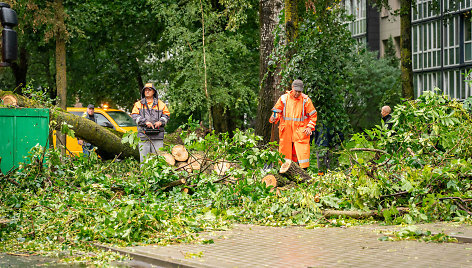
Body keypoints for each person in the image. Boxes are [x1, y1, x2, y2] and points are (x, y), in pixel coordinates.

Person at [269, 79, 317, 169]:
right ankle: (284, 175)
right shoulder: (284, 98)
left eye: (300, 91)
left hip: (300, 133)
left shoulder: (306, 100)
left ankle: (302, 176)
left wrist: (310, 127)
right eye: (296, 91)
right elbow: (277, 112)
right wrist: (274, 117)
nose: (297, 93)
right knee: (285, 156)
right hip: (286, 132)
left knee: (301, 157)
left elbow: (313, 115)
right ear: (292, 88)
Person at [131, 82, 170, 162]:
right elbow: (134, 116)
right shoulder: (138, 104)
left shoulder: (161, 104)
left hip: (158, 136)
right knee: (144, 160)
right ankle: (143, 174)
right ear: (143, 92)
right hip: (143, 136)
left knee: (158, 159)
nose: (147, 91)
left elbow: (166, 115)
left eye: (149, 90)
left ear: (154, 92)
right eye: (145, 90)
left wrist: (160, 122)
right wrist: (145, 122)